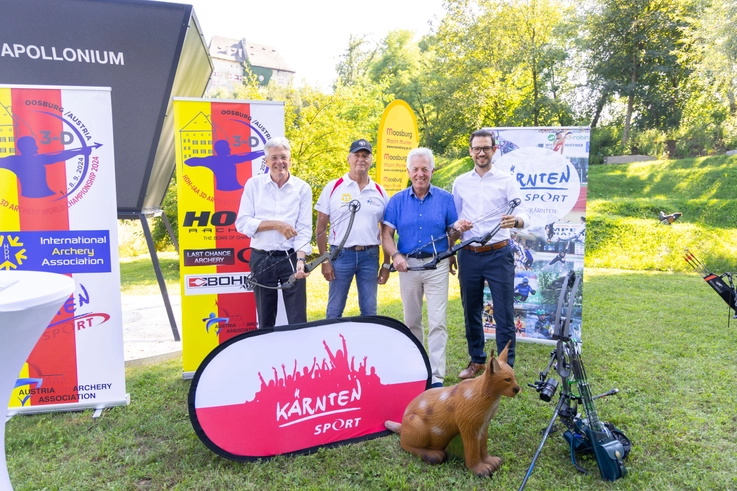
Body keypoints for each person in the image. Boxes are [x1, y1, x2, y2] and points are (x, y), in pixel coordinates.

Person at [382, 148, 472, 388]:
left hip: (437, 265)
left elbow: (451, 232)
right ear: (408, 171)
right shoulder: (397, 201)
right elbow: (386, 234)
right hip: (407, 267)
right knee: (411, 321)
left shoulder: (445, 198)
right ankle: (416, 369)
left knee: (437, 321)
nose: (420, 174)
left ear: (432, 170)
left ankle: (436, 376)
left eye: (425, 169)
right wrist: (395, 255)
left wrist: (458, 230)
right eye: (416, 169)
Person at [453, 129, 530, 376]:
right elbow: (454, 218)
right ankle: (477, 360)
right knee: (471, 309)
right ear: (470, 151)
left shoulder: (506, 180)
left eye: (486, 148)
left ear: (494, 150)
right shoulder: (460, 182)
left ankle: (505, 367)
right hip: (469, 253)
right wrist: (457, 226)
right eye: (477, 148)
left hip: (499, 254)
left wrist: (516, 221)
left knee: (504, 312)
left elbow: (525, 213)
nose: (481, 152)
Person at [235, 137, 312, 328]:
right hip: (262, 259)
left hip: (291, 258)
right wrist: (276, 224)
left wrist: (301, 262)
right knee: (265, 318)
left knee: (298, 319)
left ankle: (298, 355)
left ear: (290, 159)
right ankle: (266, 355)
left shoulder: (302, 188)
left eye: (283, 157)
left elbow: (303, 229)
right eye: (274, 157)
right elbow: (242, 223)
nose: (280, 162)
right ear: (266, 161)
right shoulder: (253, 185)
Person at [315, 139, 387, 318]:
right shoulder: (333, 188)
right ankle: (330, 344)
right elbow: (321, 228)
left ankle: (368, 344)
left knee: (370, 310)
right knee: (335, 309)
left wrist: (386, 264)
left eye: (365, 156)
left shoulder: (379, 191)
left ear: (371, 160)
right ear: (349, 158)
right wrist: (325, 260)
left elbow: (386, 231)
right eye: (357, 155)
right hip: (340, 256)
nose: (361, 159)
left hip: (370, 256)